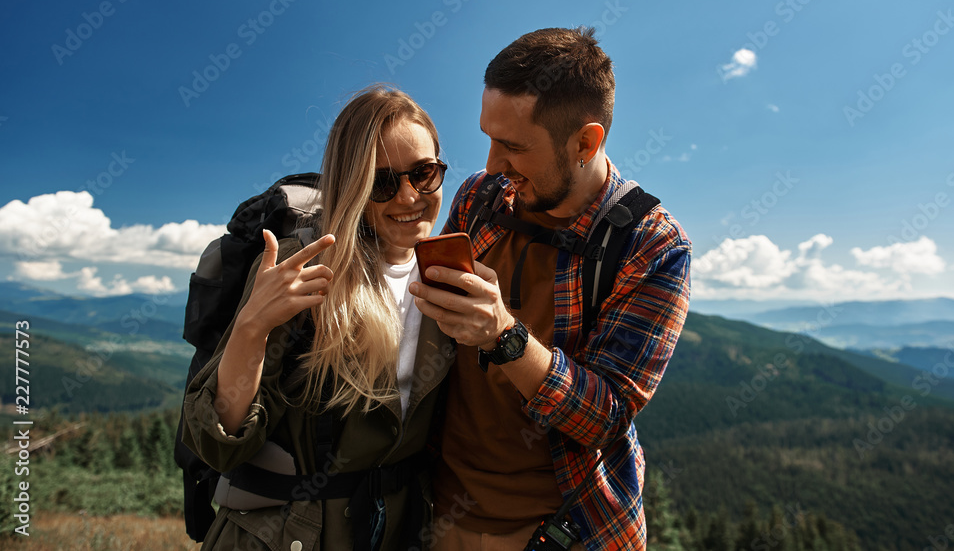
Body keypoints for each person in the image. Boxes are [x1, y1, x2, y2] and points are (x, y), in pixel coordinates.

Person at [409, 27, 691, 550]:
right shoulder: (480, 198)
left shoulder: (651, 245)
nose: (492, 165)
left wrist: (503, 336)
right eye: (489, 138)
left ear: (586, 142)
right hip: (437, 512)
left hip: (562, 531)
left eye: (513, 147)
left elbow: (604, 417)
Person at [182, 86, 455, 551]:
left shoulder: (447, 272)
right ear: (353, 184)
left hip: (397, 529)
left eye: (424, 174)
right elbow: (218, 443)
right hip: (289, 534)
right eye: (383, 182)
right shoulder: (303, 263)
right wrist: (251, 328)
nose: (410, 196)